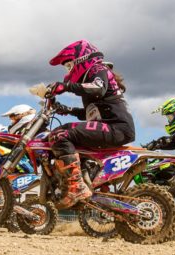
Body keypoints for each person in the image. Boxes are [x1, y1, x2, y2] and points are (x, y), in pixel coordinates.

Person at [30, 40, 135, 208]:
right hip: (110, 127)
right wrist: (66, 109)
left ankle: (76, 186)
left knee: (60, 134)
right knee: (61, 132)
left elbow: (97, 88)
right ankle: (76, 180)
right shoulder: (92, 79)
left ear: (81, 58)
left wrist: (66, 86)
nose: (68, 70)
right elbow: (90, 114)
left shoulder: (99, 70)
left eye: (69, 65)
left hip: (117, 127)